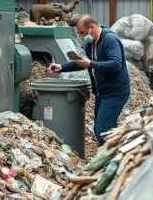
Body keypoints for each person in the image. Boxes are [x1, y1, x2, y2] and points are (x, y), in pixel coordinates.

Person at [49, 15, 129, 145]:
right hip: (102, 93)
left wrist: (91, 63)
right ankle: (113, 154)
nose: (81, 36)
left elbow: (116, 64)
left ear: (92, 27)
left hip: (115, 93)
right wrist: (61, 67)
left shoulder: (109, 40)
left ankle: (107, 158)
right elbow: (83, 63)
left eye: (82, 33)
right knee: (107, 128)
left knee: (102, 129)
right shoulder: (91, 43)